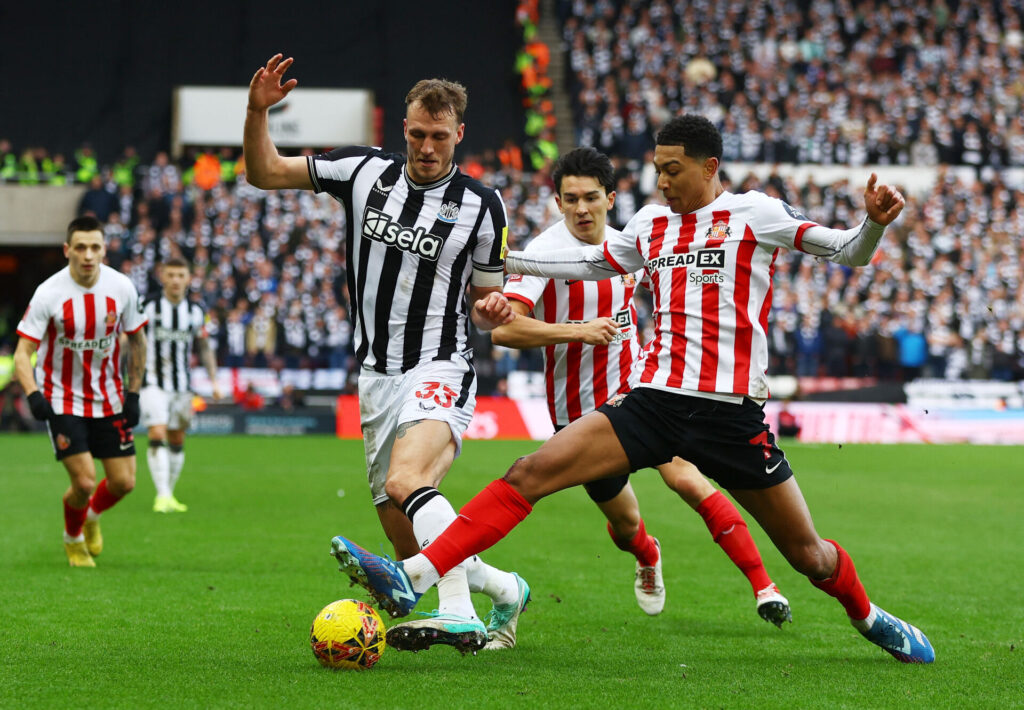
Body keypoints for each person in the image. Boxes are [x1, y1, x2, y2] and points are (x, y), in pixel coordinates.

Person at [330, 115, 935, 664]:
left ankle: (869, 615)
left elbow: (849, 252)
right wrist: (507, 265)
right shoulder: (650, 224)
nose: (663, 182)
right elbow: (589, 264)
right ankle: (412, 573)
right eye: (656, 171)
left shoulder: (757, 214)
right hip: (654, 402)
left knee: (811, 557)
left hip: (732, 416)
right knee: (527, 472)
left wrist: (872, 225)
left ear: (709, 167)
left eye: (673, 171)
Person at [244, 54, 528, 653]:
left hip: (440, 362)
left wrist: (496, 309)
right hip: (375, 376)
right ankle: (505, 589)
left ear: (459, 135)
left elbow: (486, 299)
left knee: (407, 479)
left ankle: (459, 614)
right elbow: (265, 173)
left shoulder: (483, 205)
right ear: (403, 129)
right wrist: (256, 112)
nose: (428, 147)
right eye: (418, 134)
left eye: (440, 137)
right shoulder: (362, 171)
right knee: (412, 547)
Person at [491, 147, 789, 624]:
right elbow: (505, 330)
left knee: (689, 480)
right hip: (581, 414)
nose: (581, 208)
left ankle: (764, 586)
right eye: (571, 199)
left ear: (611, 198)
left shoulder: (635, 243)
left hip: (646, 393)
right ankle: (647, 553)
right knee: (625, 523)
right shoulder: (547, 253)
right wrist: (577, 329)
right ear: (558, 202)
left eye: (591, 197)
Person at [13, 216, 148, 567]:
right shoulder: (48, 293)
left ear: (104, 250)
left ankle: (90, 517)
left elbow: (138, 340)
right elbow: (22, 353)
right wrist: (32, 394)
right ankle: (73, 539)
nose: (88, 255)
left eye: (95, 247)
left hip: (110, 397)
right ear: (67, 250)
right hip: (62, 399)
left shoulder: (122, 287)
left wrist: (133, 393)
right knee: (86, 482)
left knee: (124, 483)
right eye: (81, 247)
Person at [140, 257, 222, 513]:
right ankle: (162, 495)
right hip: (152, 382)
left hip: (182, 386)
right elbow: (130, 340)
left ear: (188, 278)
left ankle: (169, 494)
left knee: (177, 438)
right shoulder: (148, 306)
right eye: (171, 274)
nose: (175, 280)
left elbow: (205, 347)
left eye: (180, 275)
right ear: (162, 276)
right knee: (156, 432)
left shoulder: (197, 310)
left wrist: (214, 380)